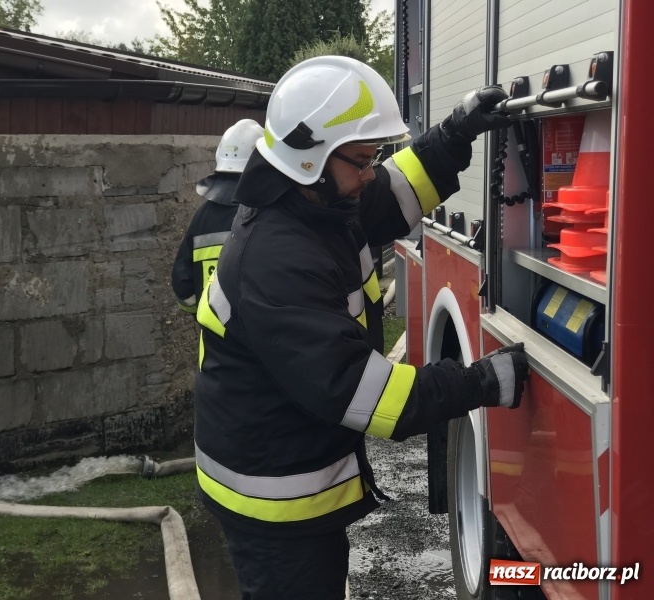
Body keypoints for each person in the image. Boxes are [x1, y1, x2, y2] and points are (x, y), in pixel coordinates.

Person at [192, 55, 530, 600]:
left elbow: (394, 190)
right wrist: (480, 383)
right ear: (311, 160)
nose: (371, 171)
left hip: (288, 470)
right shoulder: (277, 261)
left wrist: (454, 133)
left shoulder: (315, 202)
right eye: (360, 160)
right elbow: (368, 396)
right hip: (273, 501)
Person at [171, 118, 264, 315]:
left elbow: (183, 288)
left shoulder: (201, 218)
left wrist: (204, 314)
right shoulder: (270, 215)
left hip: (212, 339)